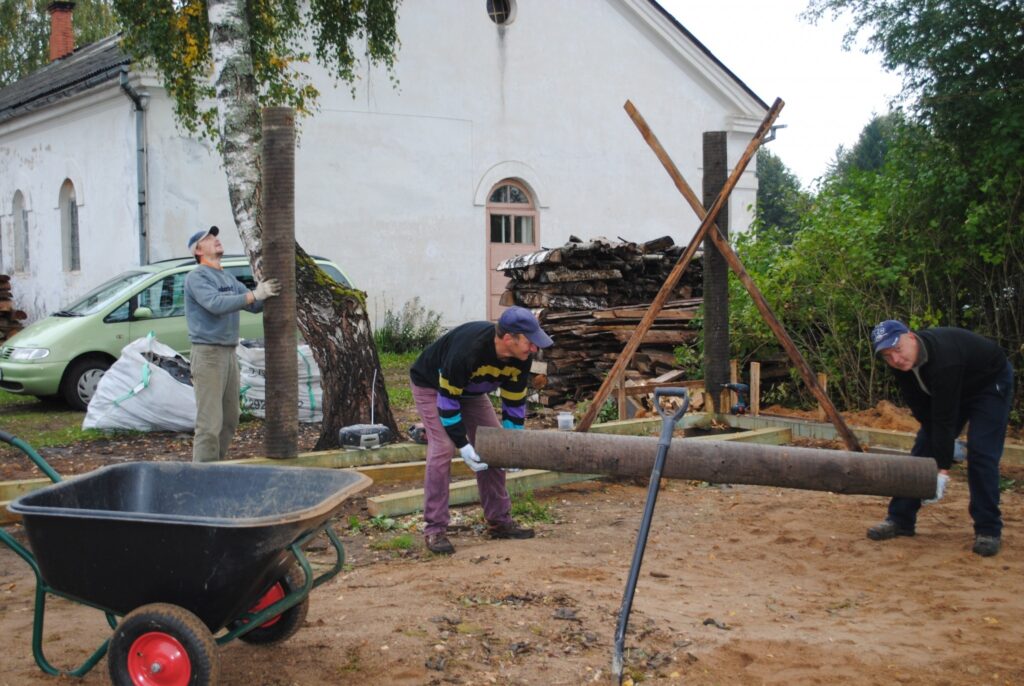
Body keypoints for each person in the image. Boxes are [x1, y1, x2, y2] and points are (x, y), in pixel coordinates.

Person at [410, 306, 554, 554]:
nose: (534, 349)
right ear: (509, 338)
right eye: (530, 342)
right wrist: (463, 444)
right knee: (444, 447)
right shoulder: (467, 352)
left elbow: (513, 401)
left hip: (472, 392)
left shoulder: (521, 357)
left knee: (494, 444)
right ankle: (435, 529)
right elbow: (447, 403)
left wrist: (512, 444)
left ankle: (499, 521)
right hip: (433, 386)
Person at [867, 320, 1014, 557]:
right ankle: (900, 519)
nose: (895, 358)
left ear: (911, 337)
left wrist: (941, 471)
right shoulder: (899, 366)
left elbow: (945, 418)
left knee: (981, 453)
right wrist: (938, 447)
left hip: (989, 384)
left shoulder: (945, 360)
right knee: (923, 446)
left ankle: (988, 529)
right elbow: (925, 414)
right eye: (887, 355)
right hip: (954, 389)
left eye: (897, 349)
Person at [184, 226, 280, 462]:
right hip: (207, 354)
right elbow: (215, 304)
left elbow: (254, 305)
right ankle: (203, 476)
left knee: (230, 418)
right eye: (209, 238)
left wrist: (267, 289)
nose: (216, 240)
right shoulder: (197, 277)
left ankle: (216, 467)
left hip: (228, 353)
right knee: (209, 421)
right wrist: (254, 295)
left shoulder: (227, 278)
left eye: (216, 236)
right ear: (198, 250)